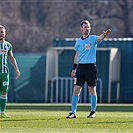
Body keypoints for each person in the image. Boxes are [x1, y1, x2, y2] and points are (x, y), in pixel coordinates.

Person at [66, 20, 111, 118]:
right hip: (80, 68)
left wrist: (104, 35)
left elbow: (100, 38)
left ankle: (93, 111)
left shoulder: (93, 38)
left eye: (88, 27)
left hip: (90, 67)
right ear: (81, 28)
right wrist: (74, 68)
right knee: (76, 89)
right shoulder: (78, 41)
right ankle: (73, 112)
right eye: (85, 27)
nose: (87, 29)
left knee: (92, 89)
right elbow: (76, 56)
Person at [0, 25, 20, 118]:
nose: (0, 34)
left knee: (4, 91)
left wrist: (17, 69)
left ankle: (2, 112)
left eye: (2, 32)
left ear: (5, 33)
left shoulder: (8, 45)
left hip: (4, 73)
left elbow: (11, 57)